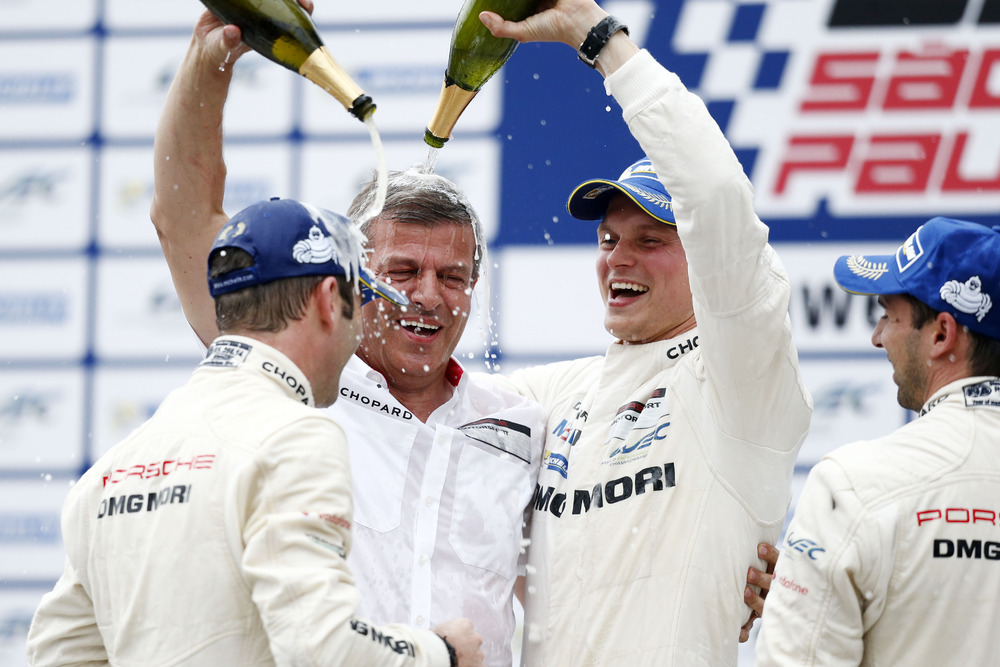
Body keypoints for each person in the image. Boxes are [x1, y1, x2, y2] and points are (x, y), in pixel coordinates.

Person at [149, 8, 545, 667]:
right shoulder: (290, 381)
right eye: (403, 272)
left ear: (475, 286)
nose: (428, 296)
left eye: (452, 276)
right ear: (354, 280)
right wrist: (210, 58)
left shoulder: (523, 422)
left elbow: (576, 582)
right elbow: (183, 217)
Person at [478, 1, 813, 664]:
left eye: (651, 240)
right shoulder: (552, 394)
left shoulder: (738, 377)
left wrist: (599, 39)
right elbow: (415, 411)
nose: (619, 259)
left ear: (704, 261)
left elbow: (715, 194)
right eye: (608, 239)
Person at [25, 197, 483, 666]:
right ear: (329, 300)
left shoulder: (112, 468)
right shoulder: (293, 437)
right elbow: (319, 647)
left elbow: (56, 656)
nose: (355, 334)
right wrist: (441, 652)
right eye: (359, 302)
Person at [755, 217, 1000, 666]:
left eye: (888, 314)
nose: (877, 336)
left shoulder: (853, 485)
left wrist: (803, 606)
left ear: (942, 334)